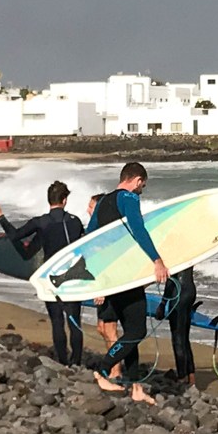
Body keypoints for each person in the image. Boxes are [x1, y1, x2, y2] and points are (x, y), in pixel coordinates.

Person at [86, 163, 168, 406]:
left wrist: (99, 279)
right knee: (136, 332)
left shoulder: (102, 202)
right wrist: (157, 260)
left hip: (112, 278)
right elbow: (138, 228)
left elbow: (89, 240)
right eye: (143, 184)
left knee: (130, 334)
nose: (143, 189)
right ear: (138, 180)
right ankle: (102, 370)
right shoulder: (129, 197)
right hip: (125, 278)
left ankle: (136, 388)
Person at [0, 180, 85, 366]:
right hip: (73, 276)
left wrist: (0, 217)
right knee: (74, 320)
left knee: (57, 320)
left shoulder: (40, 223)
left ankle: (63, 362)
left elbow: (16, 237)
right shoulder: (75, 222)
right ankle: (77, 361)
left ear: (49, 200)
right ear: (64, 200)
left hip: (50, 277)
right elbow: (84, 246)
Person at [159, 266, 198, 387]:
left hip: (179, 294)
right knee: (185, 337)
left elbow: (171, 281)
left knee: (177, 338)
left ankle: (182, 377)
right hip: (191, 291)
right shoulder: (186, 250)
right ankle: (191, 376)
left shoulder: (173, 252)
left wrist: (163, 303)